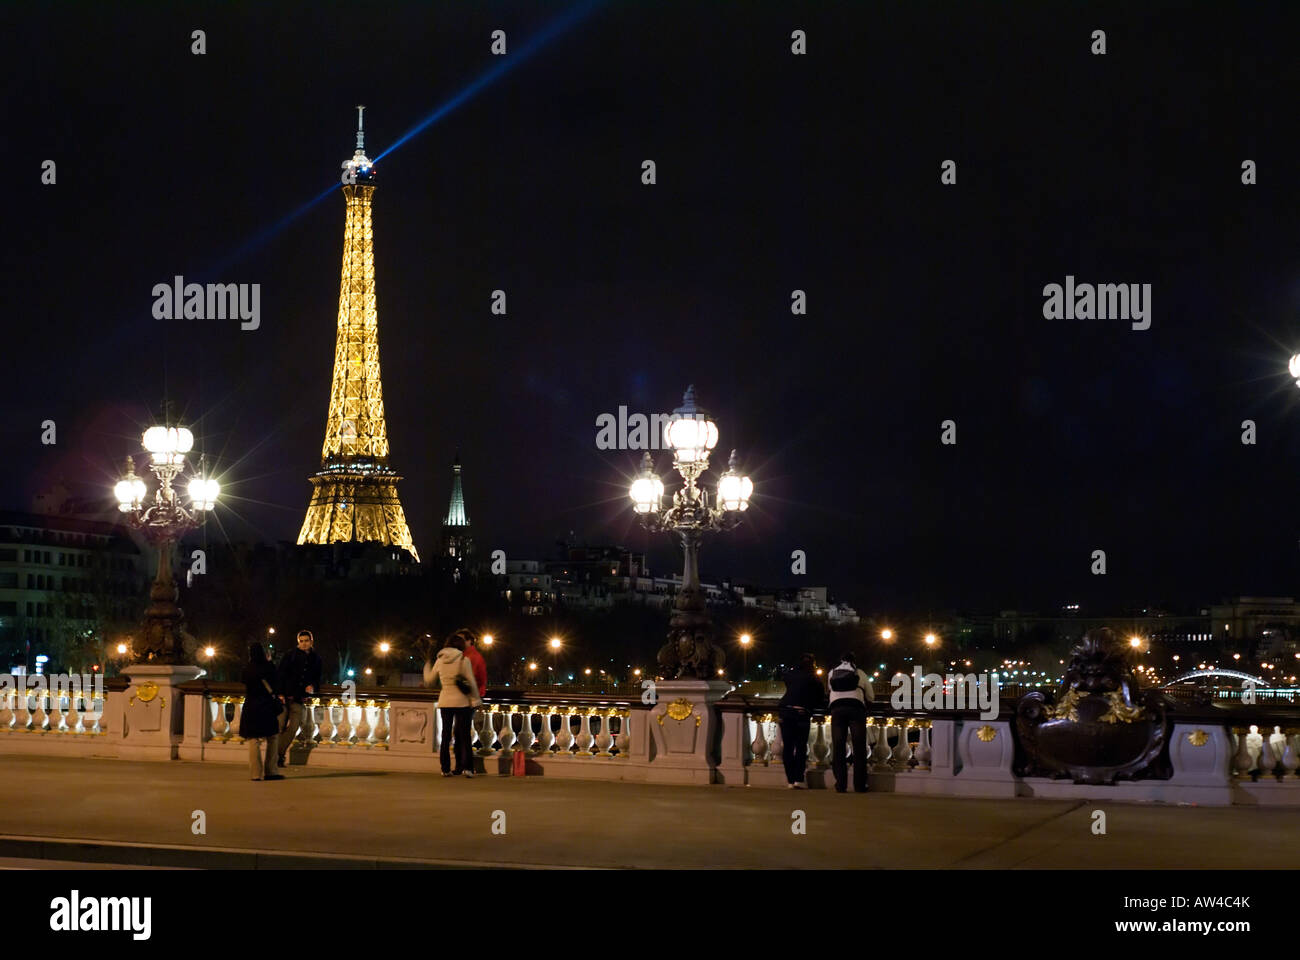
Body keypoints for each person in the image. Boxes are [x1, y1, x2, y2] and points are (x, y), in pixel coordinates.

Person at [425, 631, 482, 777]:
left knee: (445, 735)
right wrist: (476, 699)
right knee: (464, 735)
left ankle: (445, 769)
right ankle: (468, 769)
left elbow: (429, 680)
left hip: (445, 700)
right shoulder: (463, 660)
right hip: (461, 701)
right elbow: (471, 682)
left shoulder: (440, 660)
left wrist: (426, 666)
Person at [826, 652, 874, 793]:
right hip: (856, 709)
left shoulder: (832, 672)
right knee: (859, 747)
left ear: (841, 661)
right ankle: (860, 785)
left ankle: (840, 785)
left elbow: (830, 690)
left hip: (837, 710)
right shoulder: (860, 673)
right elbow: (871, 696)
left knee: (838, 747)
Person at [276, 629, 322, 768]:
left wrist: (312, 686)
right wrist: (280, 694)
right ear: (298, 642)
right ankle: (279, 757)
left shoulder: (316, 658)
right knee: (279, 727)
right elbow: (280, 674)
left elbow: (317, 678)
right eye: (301, 641)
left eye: (306, 641)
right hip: (284, 697)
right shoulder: (290, 655)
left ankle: (277, 754)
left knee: (293, 728)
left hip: (299, 699)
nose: (303, 644)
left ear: (311, 641)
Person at [778, 653, 825, 788]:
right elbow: (820, 697)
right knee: (800, 747)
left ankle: (790, 781)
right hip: (801, 713)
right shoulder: (813, 678)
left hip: (786, 711)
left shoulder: (790, 675)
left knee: (787, 747)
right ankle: (799, 779)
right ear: (813, 664)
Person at [240, 642, 286, 781]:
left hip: (251, 707)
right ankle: (271, 771)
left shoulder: (247, 669)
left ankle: (255, 773)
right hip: (266, 707)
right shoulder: (269, 667)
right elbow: (277, 683)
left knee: (254, 740)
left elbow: (245, 683)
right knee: (272, 737)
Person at [463, 633, 488, 699]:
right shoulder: (475, 656)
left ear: (469, 641)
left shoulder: (472, 657)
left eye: (462, 640)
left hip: (468, 696)